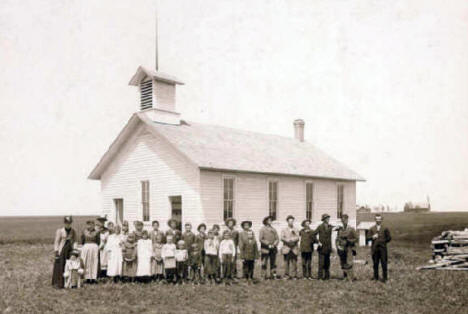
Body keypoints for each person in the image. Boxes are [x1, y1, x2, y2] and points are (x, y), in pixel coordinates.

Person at [52, 216, 77, 289]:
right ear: (64, 223)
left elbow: (75, 241)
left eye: (69, 223)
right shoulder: (60, 231)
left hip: (70, 250)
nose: (68, 224)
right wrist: (56, 251)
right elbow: (56, 242)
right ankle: (59, 283)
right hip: (62, 250)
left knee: (70, 265)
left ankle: (70, 282)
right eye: (66, 223)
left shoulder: (73, 231)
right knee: (61, 265)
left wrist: (75, 250)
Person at [367, 214, 391, 282]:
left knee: (384, 263)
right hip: (375, 249)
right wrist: (372, 237)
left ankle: (385, 278)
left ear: (381, 220)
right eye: (377, 219)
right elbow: (367, 238)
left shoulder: (385, 228)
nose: (378, 221)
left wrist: (383, 241)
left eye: (379, 219)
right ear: (375, 220)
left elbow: (389, 238)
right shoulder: (372, 228)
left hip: (383, 249)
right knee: (375, 263)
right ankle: (375, 277)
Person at [336, 214, 357, 281]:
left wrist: (349, 241)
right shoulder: (340, 229)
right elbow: (337, 239)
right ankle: (345, 277)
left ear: (347, 220)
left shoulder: (351, 229)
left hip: (349, 248)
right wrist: (338, 246)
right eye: (342, 221)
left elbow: (356, 238)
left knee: (349, 262)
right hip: (341, 248)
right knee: (343, 262)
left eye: (345, 220)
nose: (343, 222)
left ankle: (351, 277)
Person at [314, 214, 333, 280]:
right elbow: (313, 235)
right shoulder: (320, 227)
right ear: (323, 220)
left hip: (328, 247)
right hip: (321, 248)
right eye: (326, 218)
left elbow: (336, 228)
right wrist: (318, 242)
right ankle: (320, 277)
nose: (328, 219)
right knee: (321, 263)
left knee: (327, 263)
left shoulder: (330, 226)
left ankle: (327, 277)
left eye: (328, 218)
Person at [281, 215, 300, 280]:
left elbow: (297, 237)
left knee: (294, 262)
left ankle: (294, 275)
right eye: (290, 221)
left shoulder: (296, 229)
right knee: (286, 262)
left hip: (294, 248)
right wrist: (287, 240)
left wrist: (292, 240)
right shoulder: (284, 229)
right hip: (287, 248)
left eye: (292, 221)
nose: (291, 222)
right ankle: (286, 275)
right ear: (287, 222)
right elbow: (282, 237)